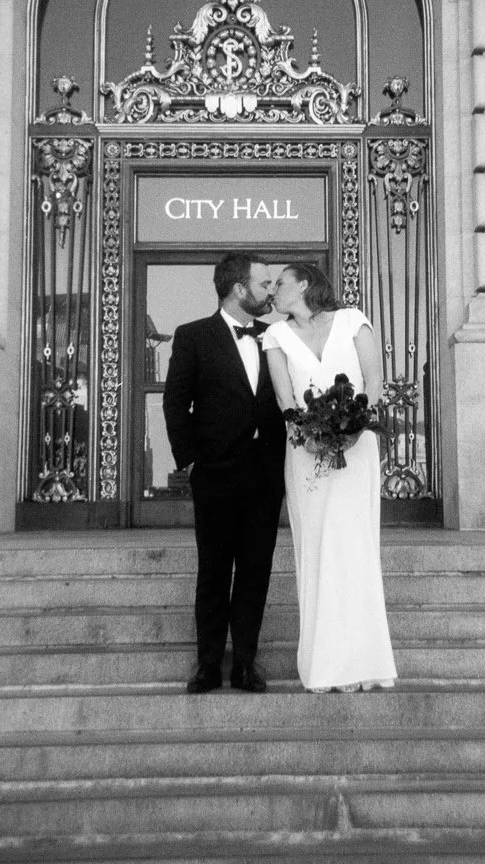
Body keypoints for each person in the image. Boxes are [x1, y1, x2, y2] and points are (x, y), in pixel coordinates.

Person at [262, 262, 397, 693]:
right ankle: (326, 666)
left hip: (357, 452)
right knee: (318, 549)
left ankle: (364, 662)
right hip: (307, 456)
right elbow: (286, 400)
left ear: (304, 284)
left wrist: (355, 426)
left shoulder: (353, 321)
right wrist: (310, 435)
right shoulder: (275, 336)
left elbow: (374, 382)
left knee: (354, 548)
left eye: (279, 283)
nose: (273, 292)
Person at [162, 252, 286, 694]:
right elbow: (176, 402)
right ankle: (208, 665)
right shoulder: (193, 336)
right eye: (265, 283)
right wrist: (189, 459)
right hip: (215, 474)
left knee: (255, 571)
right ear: (239, 289)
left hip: (266, 476)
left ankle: (246, 665)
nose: (272, 291)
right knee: (214, 572)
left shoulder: (276, 336)